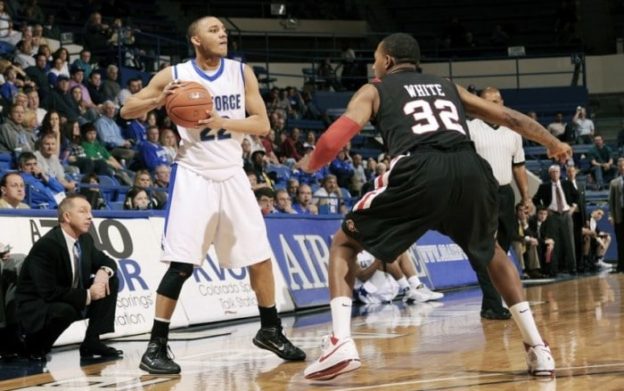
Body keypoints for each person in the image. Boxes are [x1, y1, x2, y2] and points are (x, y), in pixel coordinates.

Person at [300, 33, 569, 380]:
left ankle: (340, 342)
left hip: (419, 167)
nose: (374, 65)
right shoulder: (447, 86)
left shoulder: (375, 89)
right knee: (493, 250)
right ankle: (538, 348)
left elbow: (336, 137)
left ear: (387, 62)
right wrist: (552, 141)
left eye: (376, 59)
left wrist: (310, 164)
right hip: (470, 167)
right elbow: (506, 117)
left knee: (345, 242)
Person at [119, 15, 305, 375]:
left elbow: (263, 124)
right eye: (213, 30)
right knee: (182, 264)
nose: (222, 34)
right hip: (194, 176)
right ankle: (155, 346)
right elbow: (127, 109)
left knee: (260, 257)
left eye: (223, 29)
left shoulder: (240, 72)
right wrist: (160, 99)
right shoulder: (174, 74)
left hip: (233, 174)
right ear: (196, 40)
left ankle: (270, 330)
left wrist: (222, 121)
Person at [15, 194, 122, 361]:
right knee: (65, 310)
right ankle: (34, 346)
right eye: (83, 212)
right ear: (66, 216)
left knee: (111, 281)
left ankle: (92, 341)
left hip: (66, 296)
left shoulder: (85, 240)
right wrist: (88, 295)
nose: (90, 217)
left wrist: (103, 272)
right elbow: (48, 292)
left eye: (90, 212)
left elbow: (107, 261)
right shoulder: (47, 246)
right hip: (36, 306)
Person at [468, 86, 531, 320]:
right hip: (482, 192)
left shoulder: (513, 131)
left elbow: (519, 166)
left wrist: (526, 197)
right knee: (487, 249)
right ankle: (494, 305)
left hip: (506, 193)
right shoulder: (471, 129)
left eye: (498, 100)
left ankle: (489, 305)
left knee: (502, 251)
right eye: (490, 101)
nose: (496, 104)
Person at [533, 165, 578, 275]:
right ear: (549, 174)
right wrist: (544, 210)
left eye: (557, 172)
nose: (555, 174)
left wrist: (573, 207)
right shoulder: (544, 186)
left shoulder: (567, 183)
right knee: (554, 242)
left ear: (560, 173)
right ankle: (554, 269)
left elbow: (577, 196)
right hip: (552, 215)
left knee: (570, 242)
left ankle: (573, 268)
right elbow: (535, 199)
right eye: (552, 172)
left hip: (566, 214)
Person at [608, 158, 624, 273]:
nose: (622, 167)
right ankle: (621, 266)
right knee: (620, 241)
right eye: (620, 166)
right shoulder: (614, 182)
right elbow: (611, 201)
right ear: (618, 167)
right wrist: (611, 215)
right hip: (619, 213)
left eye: (623, 165)